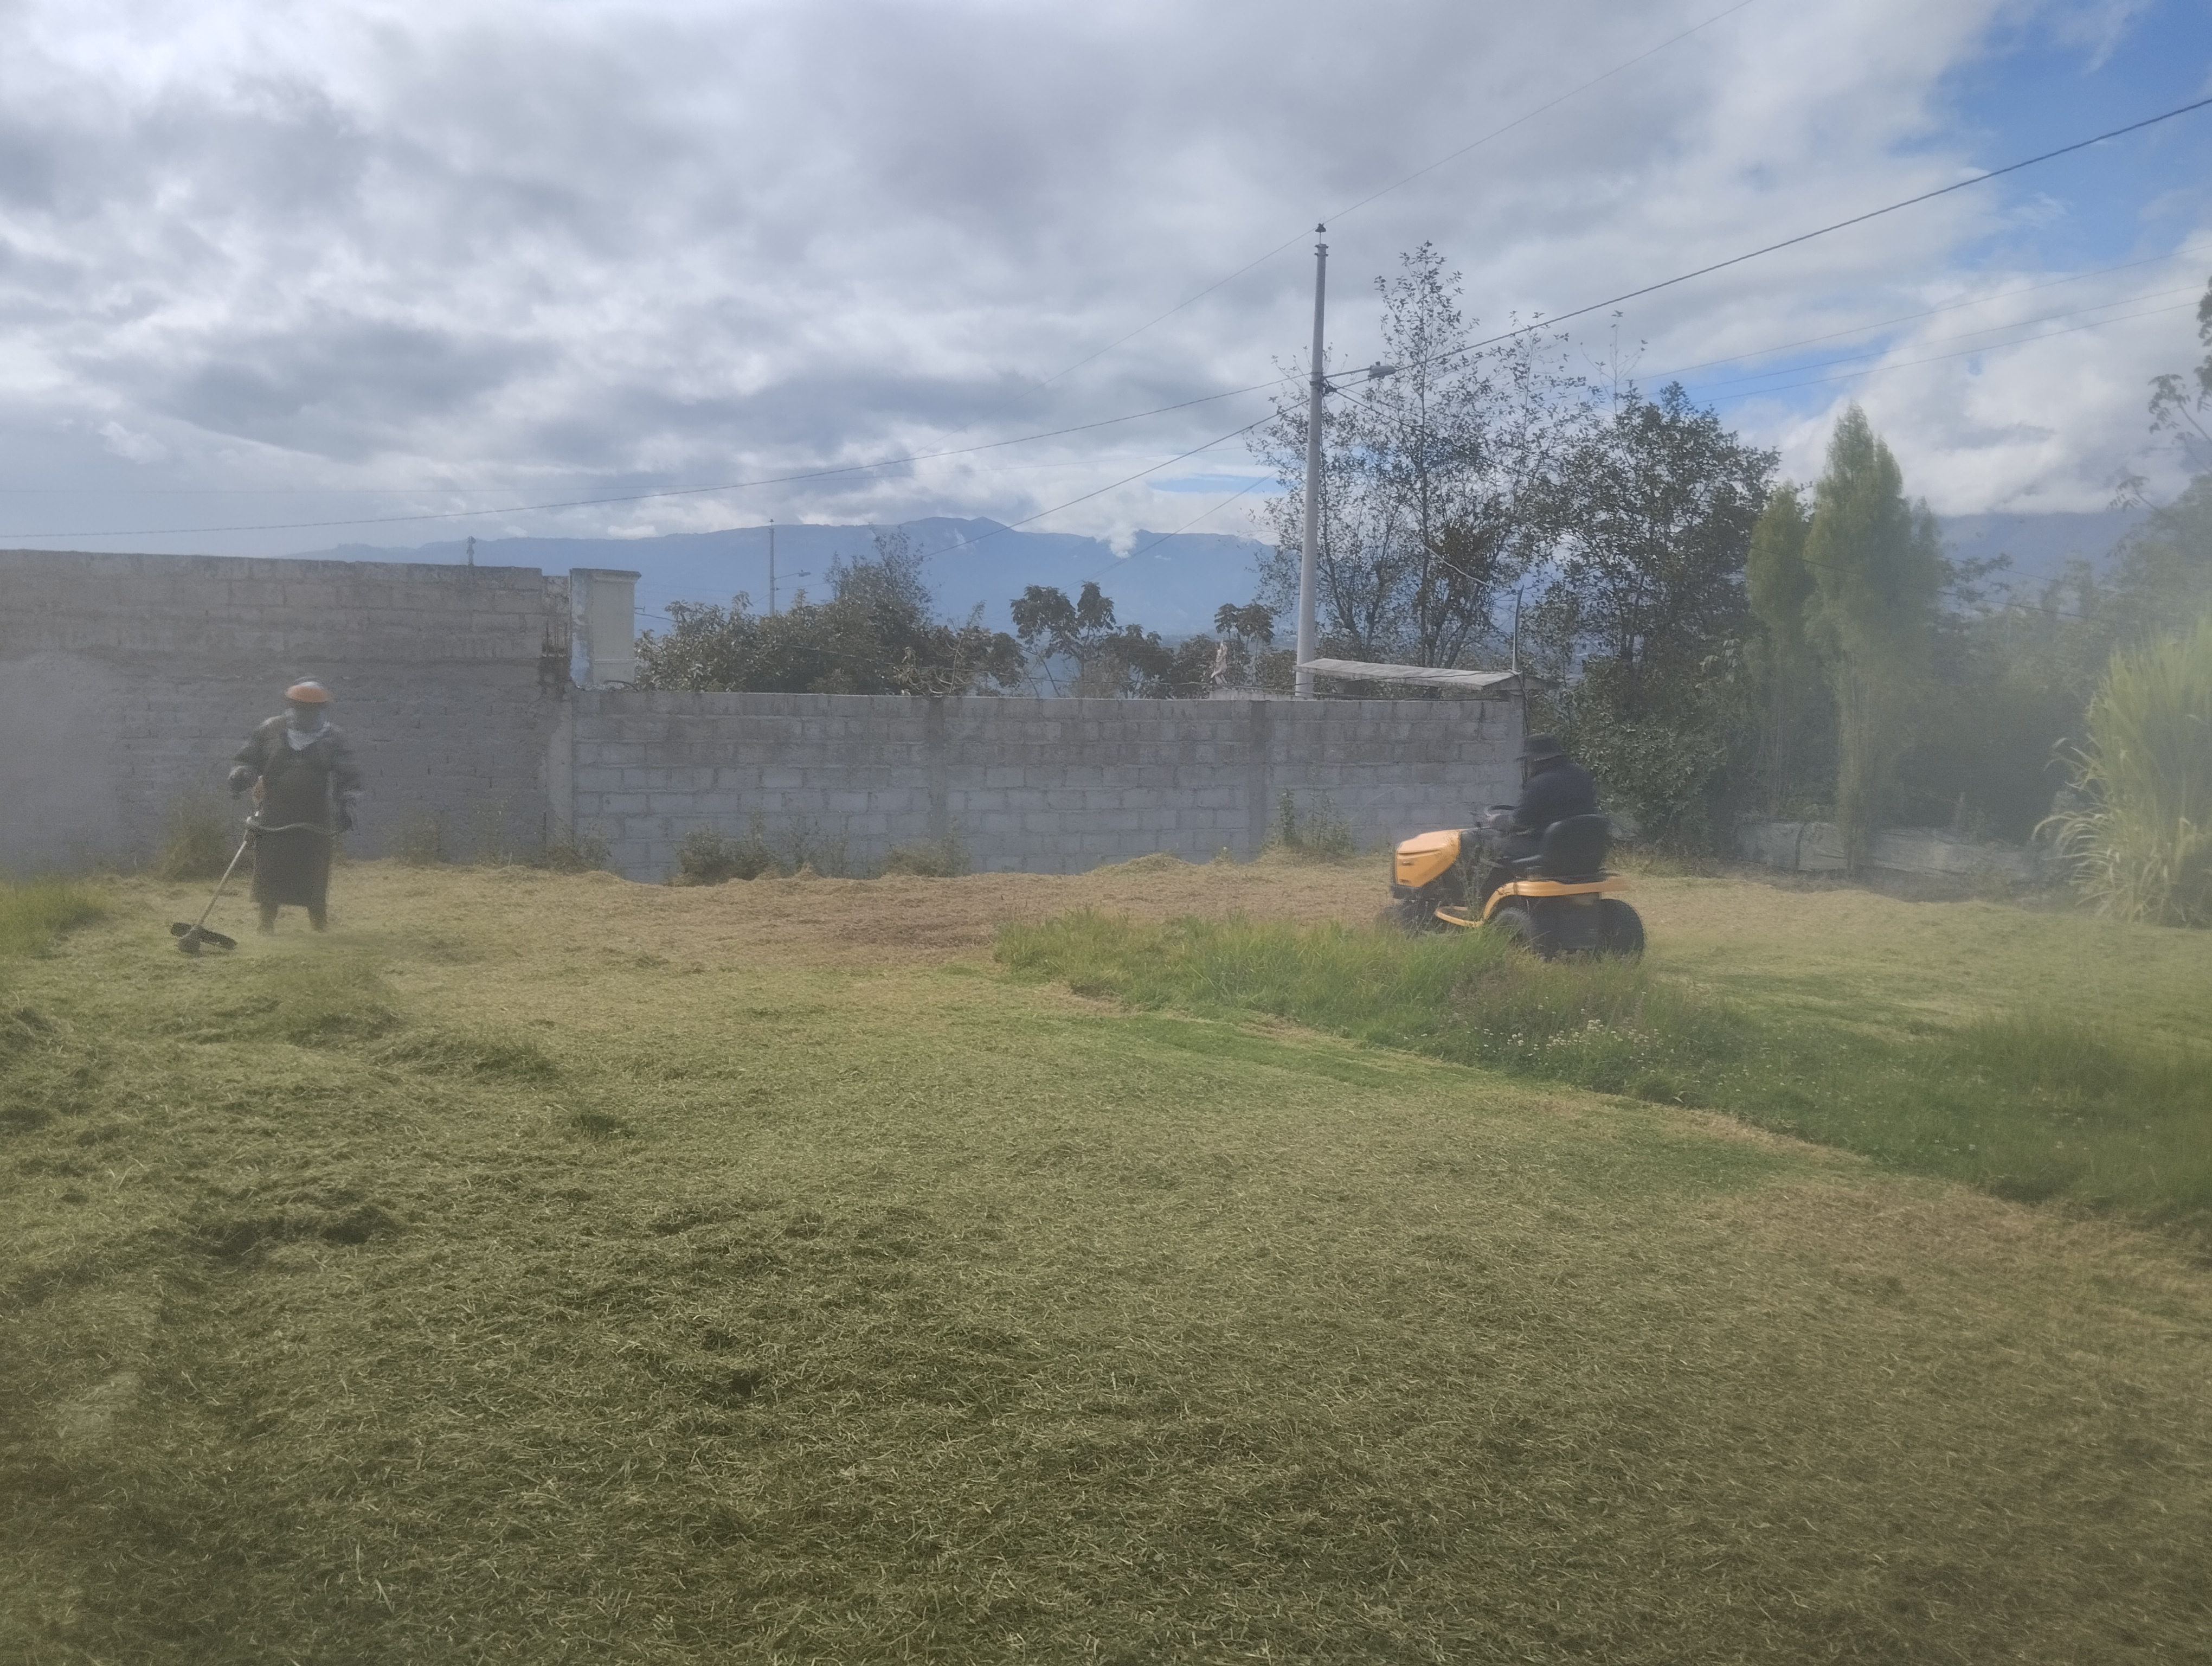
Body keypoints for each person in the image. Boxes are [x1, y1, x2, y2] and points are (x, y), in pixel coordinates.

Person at [228, 680, 361, 933]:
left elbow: (349, 778)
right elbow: (246, 759)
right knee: (270, 869)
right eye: (301, 708)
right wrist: (242, 774)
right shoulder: (270, 731)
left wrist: (347, 804)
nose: (306, 714)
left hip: (315, 818)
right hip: (274, 816)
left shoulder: (333, 739)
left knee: (313, 872)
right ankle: (266, 923)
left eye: (313, 710)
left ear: (322, 709)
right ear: (292, 706)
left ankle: (318, 924)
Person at [1471, 733, 1598, 903]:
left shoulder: (1540, 783)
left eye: (1528, 761)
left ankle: (1480, 901)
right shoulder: (1582, 776)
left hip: (1547, 848)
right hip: (1583, 849)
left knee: (1485, 845)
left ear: (1536, 760)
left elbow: (1518, 823)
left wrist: (1497, 821)